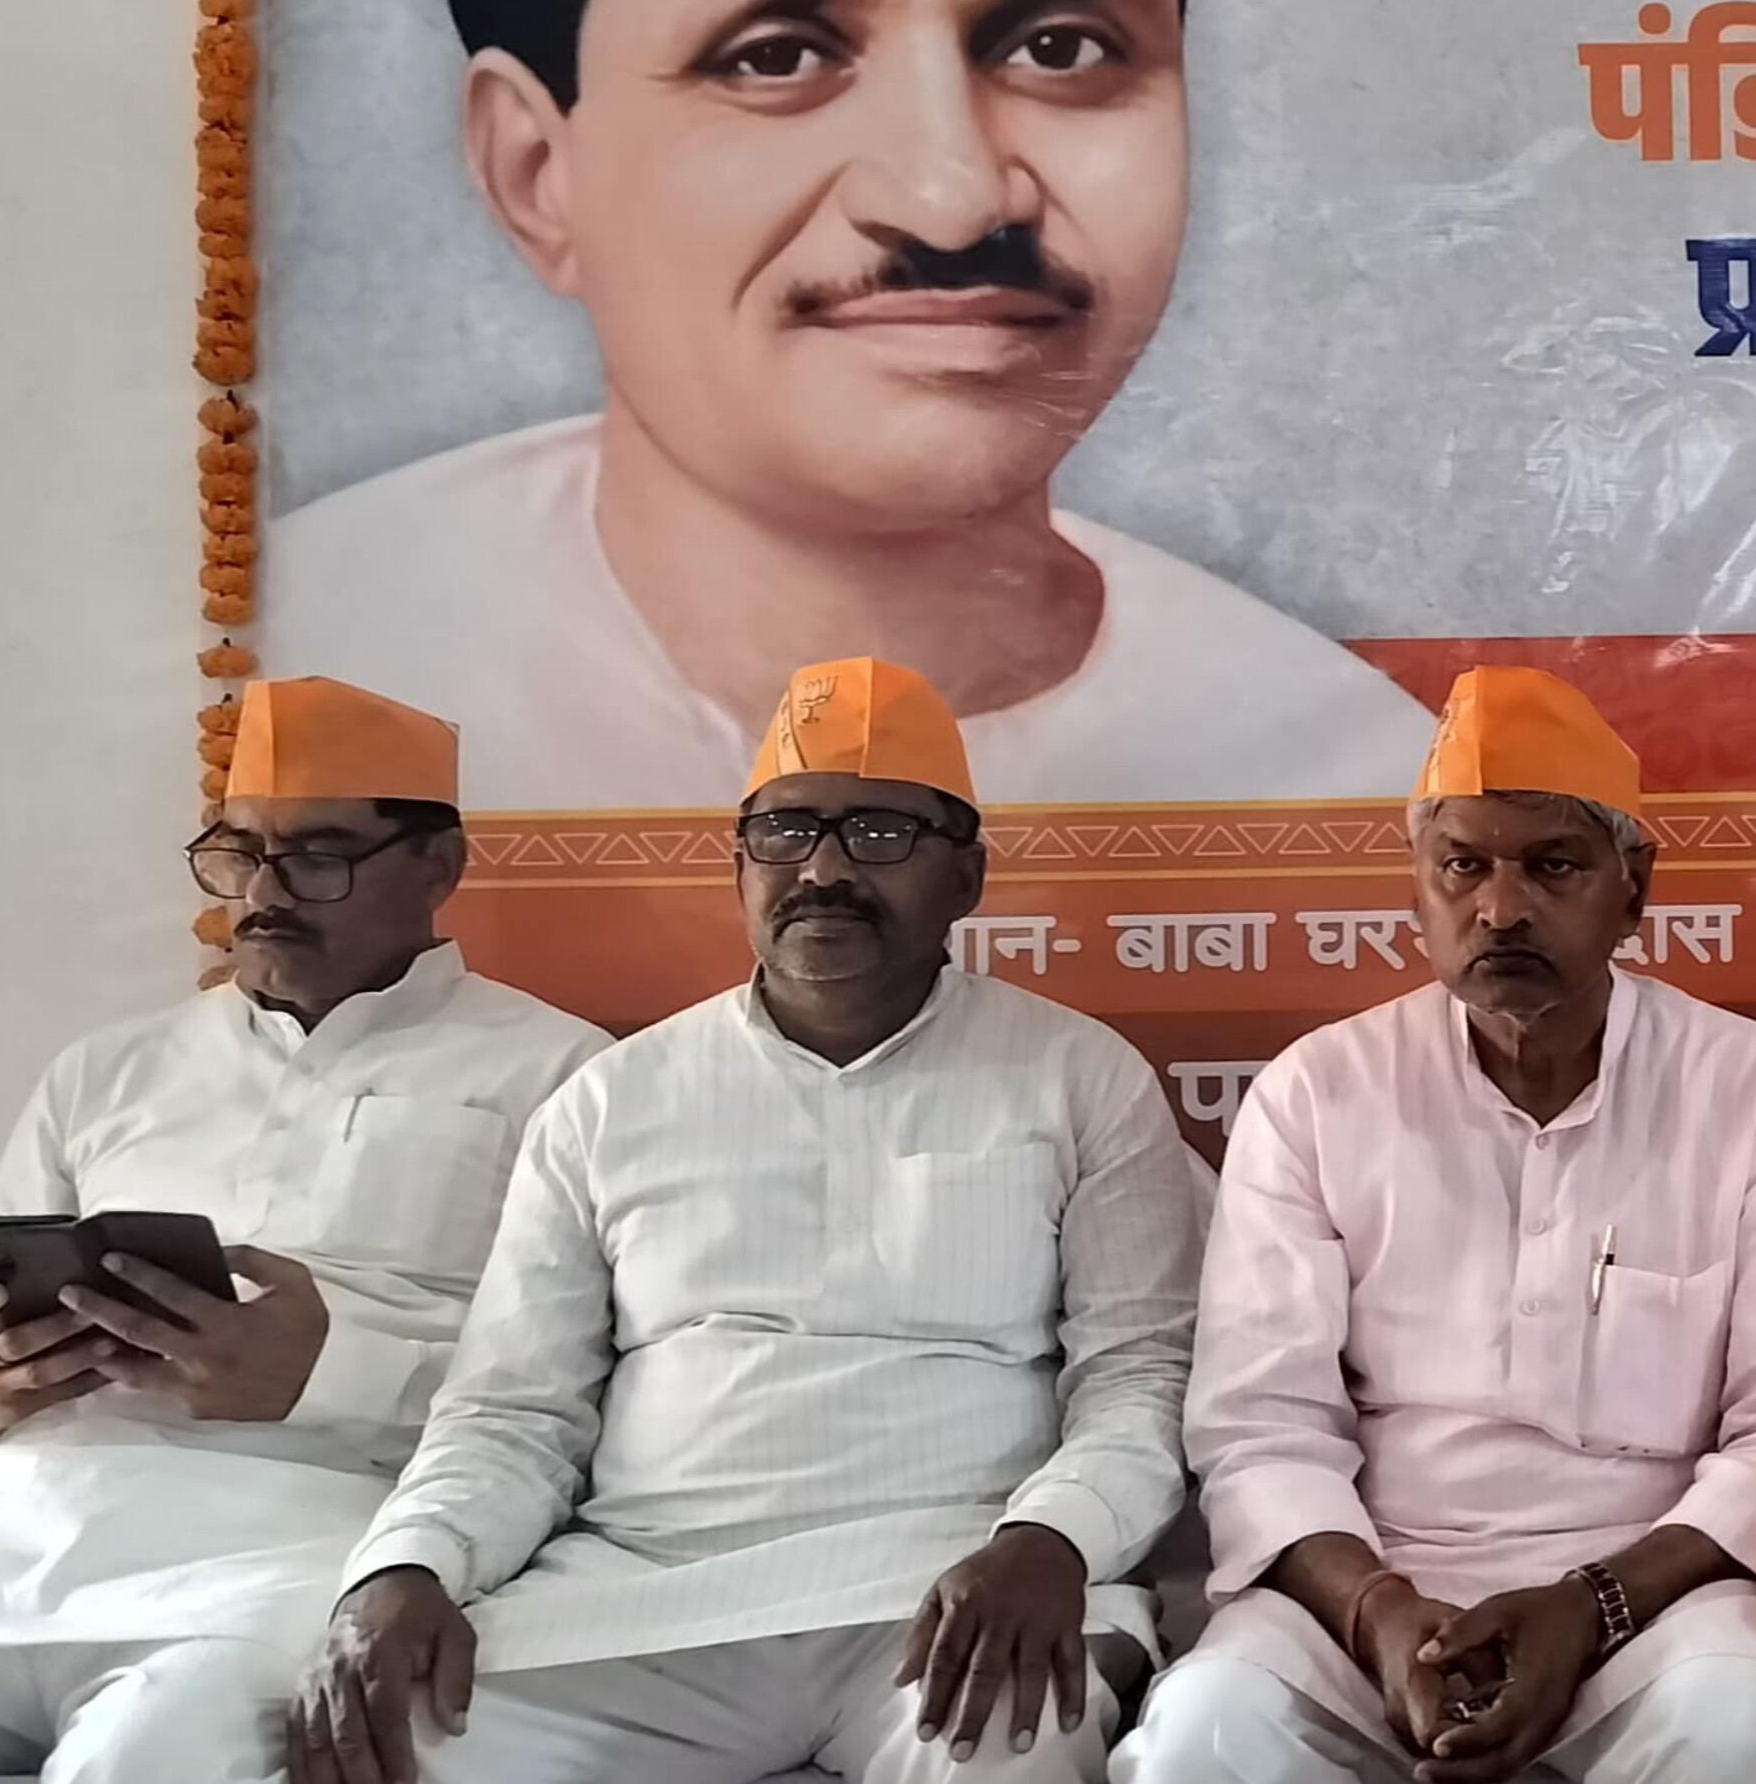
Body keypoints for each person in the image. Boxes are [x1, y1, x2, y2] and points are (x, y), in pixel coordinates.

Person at [264, 0, 1430, 811]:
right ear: (535, 174)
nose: (953, 196)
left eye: (1061, 48)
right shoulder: (304, 665)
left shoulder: (1368, 791)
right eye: (775, 58)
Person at [289, 656, 1200, 1784]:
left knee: (1011, 1750)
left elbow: (1139, 1374)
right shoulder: (610, 1100)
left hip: (955, 1585)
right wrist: (407, 1566)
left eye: (880, 834)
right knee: (390, 1748)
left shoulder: (1080, 1077)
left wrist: (1050, 1540)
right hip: (645, 1591)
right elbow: (512, 1409)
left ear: (966, 875)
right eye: (785, 832)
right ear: (739, 864)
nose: (823, 869)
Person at [1118, 665, 1756, 1784]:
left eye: (1552, 865)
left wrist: (1593, 1605)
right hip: (1372, 1585)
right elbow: (1261, 1429)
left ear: (1633, 889)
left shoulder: (1755, 1089)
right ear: (1420, 884)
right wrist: (1381, 1615)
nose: (1501, 909)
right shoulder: (1315, 1093)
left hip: (1664, 1592)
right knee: (1204, 1735)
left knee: (1730, 1732)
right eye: (1462, 865)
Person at [0, 680, 607, 1784]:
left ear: (439, 865)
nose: (263, 894)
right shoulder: (105, 1070)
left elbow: (585, 1397)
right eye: (238, 854)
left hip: (290, 1542)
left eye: (318, 856)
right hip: (14, 1521)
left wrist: (328, 1374)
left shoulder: (567, 1075)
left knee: (144, 1756)